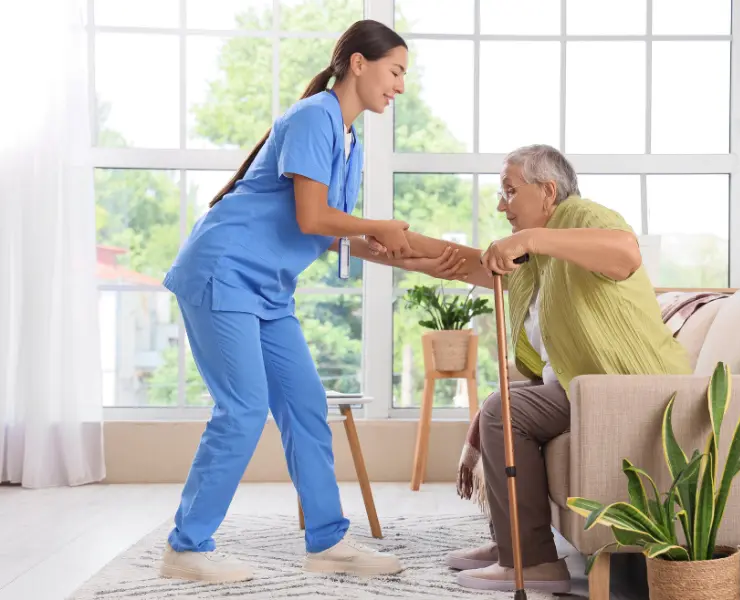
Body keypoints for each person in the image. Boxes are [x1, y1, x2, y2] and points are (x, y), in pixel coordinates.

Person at [158, 20, 416, 583]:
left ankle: (328, 544)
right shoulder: (312, 117)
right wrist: (379, 226)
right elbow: (312, 216)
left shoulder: (349, 141)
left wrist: (412, 255)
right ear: (357, 63)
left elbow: (330, 234)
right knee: (244, 409)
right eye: (395, 71)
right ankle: (187, 546)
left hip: (270, 291)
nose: (399, 86)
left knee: (304, 406)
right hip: (223, 273)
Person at [408, 144, 693, 593]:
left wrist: (530, 239)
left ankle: (533, 560)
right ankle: (513, 544)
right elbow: (459, 262)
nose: (501, 205)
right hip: (585, 388)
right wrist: (368, 245)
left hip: (629, 388)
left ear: (547, 191)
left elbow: (625, 253)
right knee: (500, 405)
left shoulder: (581, 216)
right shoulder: (538, 259)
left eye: (509, 191)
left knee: (507, 412)